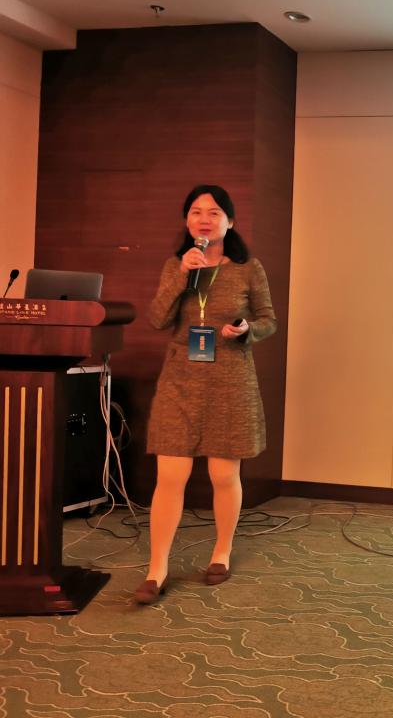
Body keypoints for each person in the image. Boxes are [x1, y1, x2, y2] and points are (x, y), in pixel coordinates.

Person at [137, 184, 277, 604]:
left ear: (229, 221)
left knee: (223, 475)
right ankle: (156, 569)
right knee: (170, 477)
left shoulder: (248, 268)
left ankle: (222, 552)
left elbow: (268, 320)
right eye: (196, 211)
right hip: (180, 379)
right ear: (187, 221)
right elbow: (157, 319)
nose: (204, 219)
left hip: (230, 377)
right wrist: (182, 275)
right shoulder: (177, 265)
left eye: (214, 212)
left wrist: (247, 330)